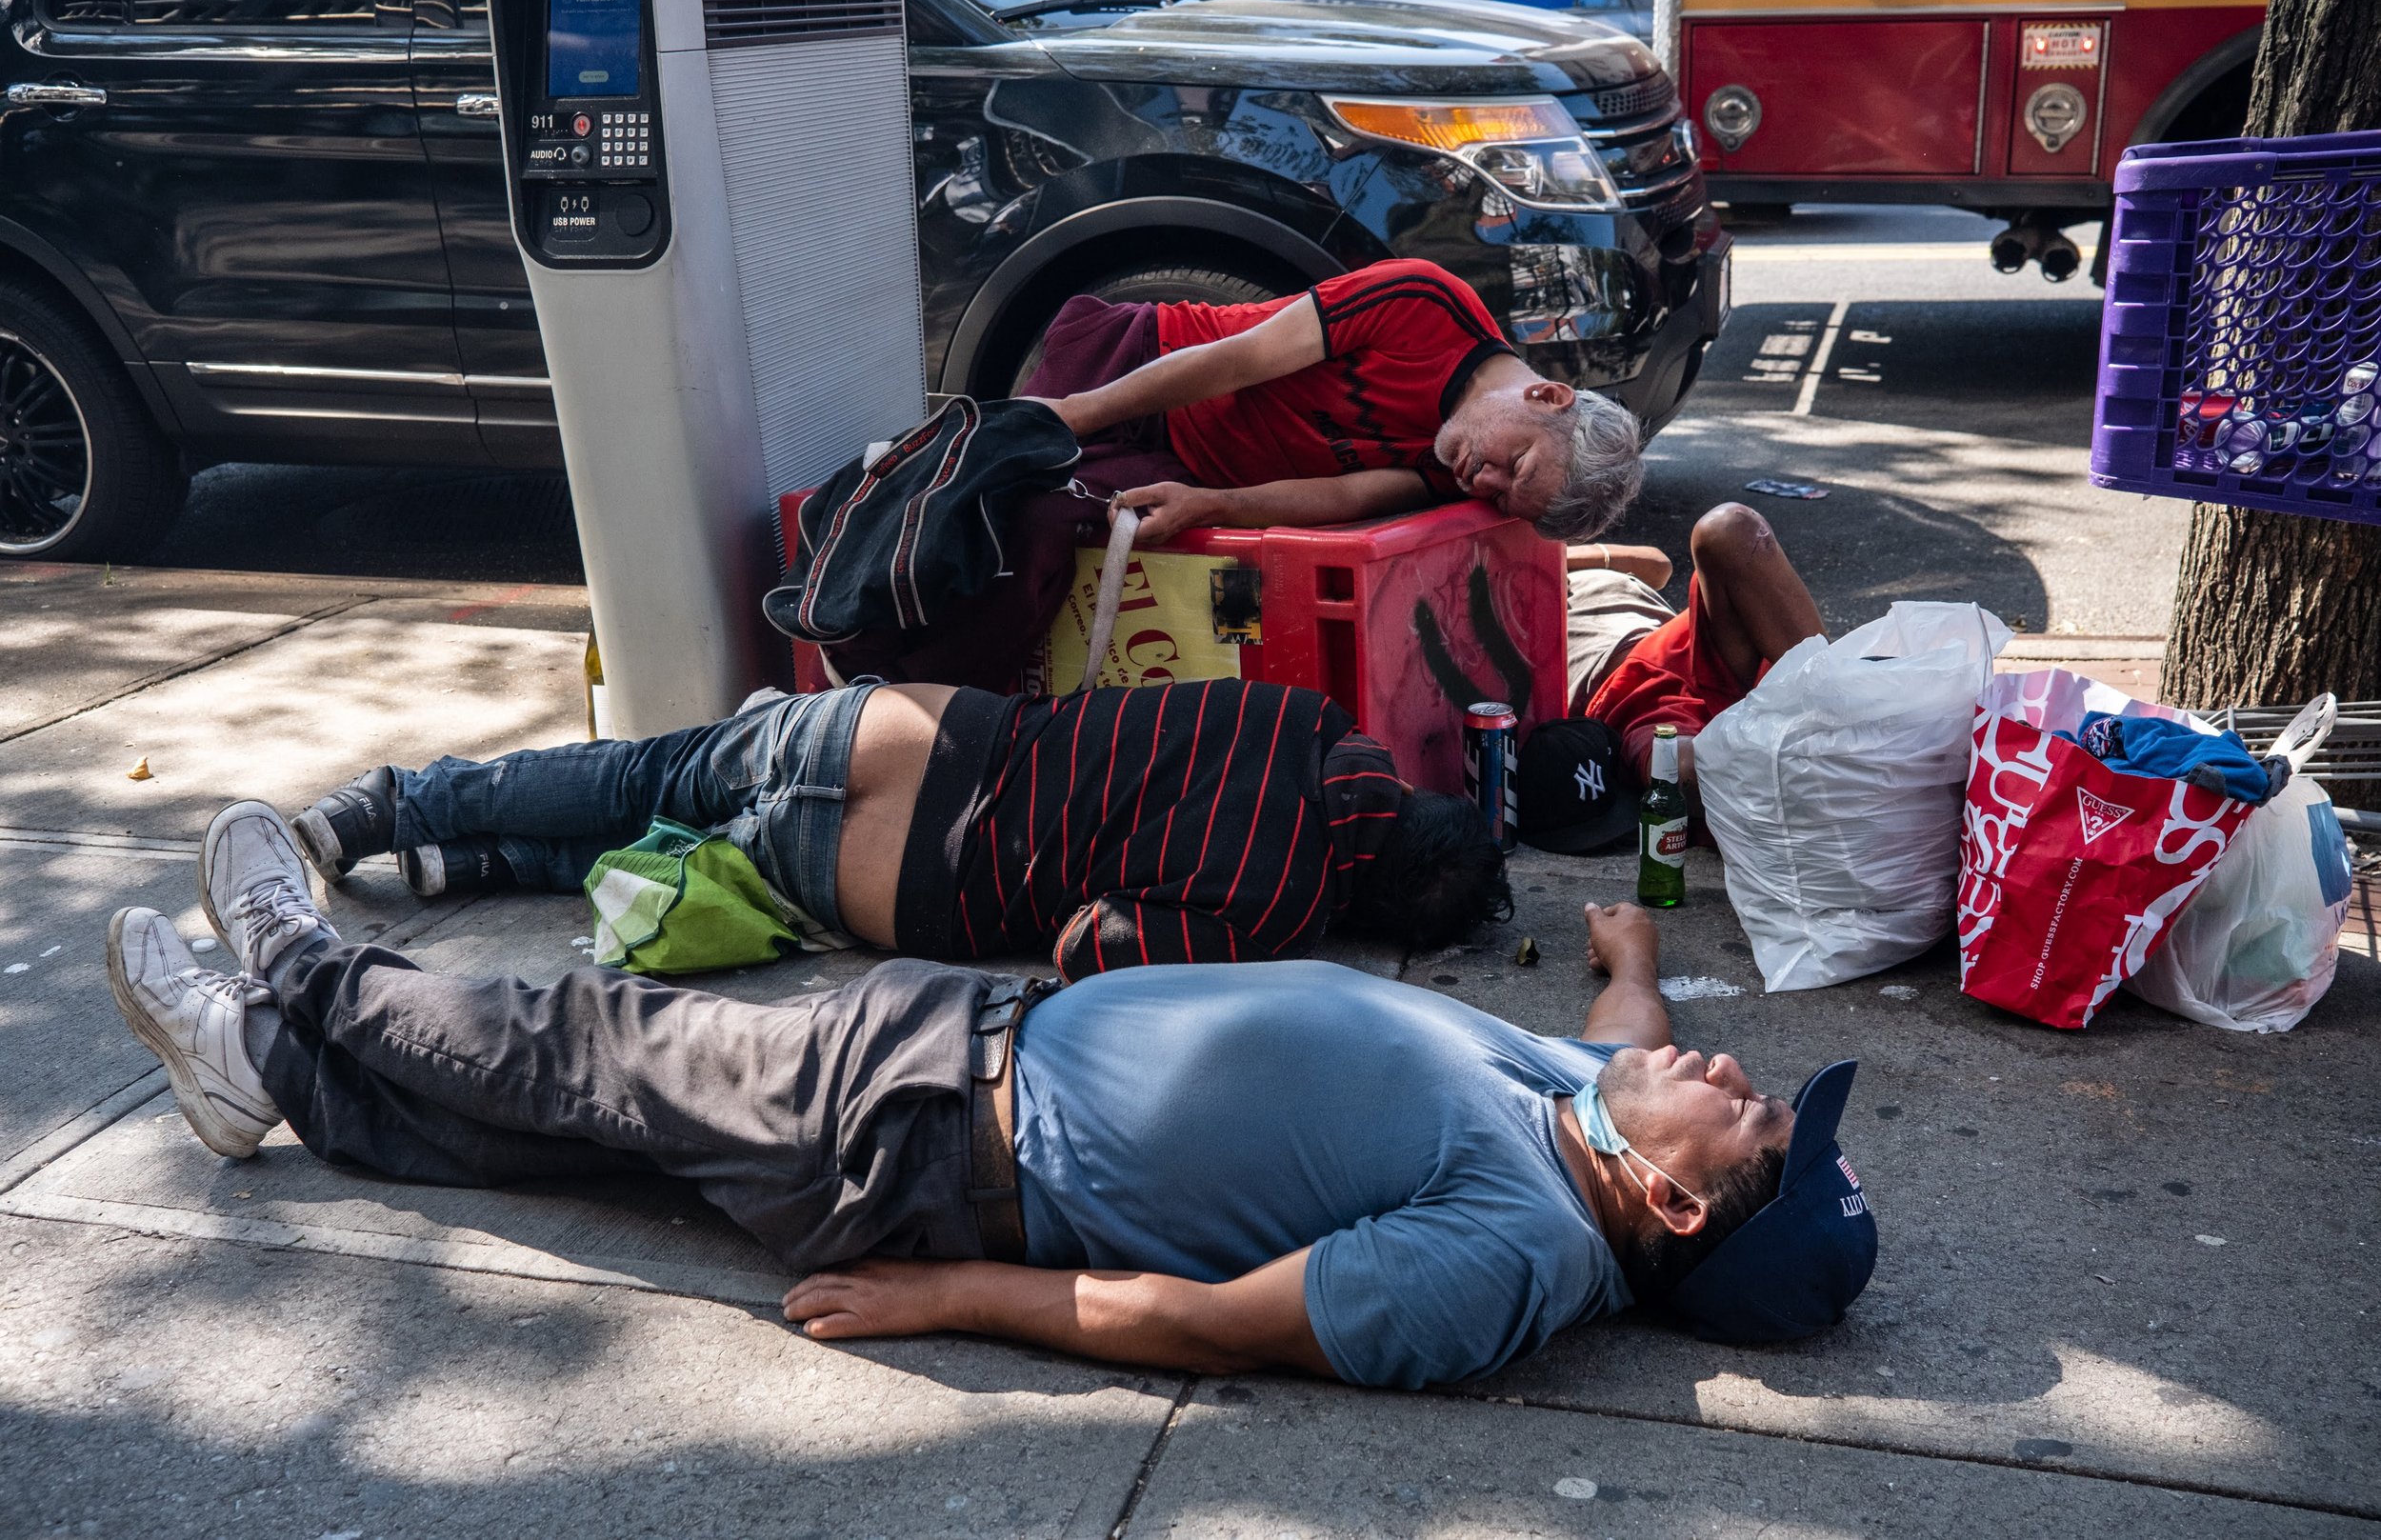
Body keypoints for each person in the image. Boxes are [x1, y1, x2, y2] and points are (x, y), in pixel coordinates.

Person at [106, 807, 1876, 1388]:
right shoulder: (1585, 1111)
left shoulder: (1507, 1258)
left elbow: (1199, 1320)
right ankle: (261, 1074)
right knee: (602, 1122)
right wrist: (1630, 949)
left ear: (1681, 1205)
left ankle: (297, 966)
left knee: (592, 1051)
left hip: (936, 1143)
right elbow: (1641, 1021)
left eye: (1757, 1117)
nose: (1734, 1069)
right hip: (977, 1036)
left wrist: (949, 1297)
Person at [290, 678, 1510, 982]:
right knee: (707, 859)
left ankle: (397, 810)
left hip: (917, 733)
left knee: (646, 772)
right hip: (915, 884)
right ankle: (476, 857)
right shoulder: (1286, 908)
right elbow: (1092, 941)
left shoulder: (1301, 714)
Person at [825, 257, 1649, 690]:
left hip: (1177, 463)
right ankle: (866, 661)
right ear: (1547, 394)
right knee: (992, 507)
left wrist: (1212, 502)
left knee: (1047, 533)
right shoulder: (1423, 304)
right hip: (1145, 364)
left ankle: (920, 698)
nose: (1487, 486)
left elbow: (1349, 496)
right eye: (1517, 466)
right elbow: (1238, 361)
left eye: (1506, 498)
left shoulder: (1454, 467)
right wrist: (1071, 416)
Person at [1567, 502, 1827, 796]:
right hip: (1623, 688)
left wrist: (1553, 557)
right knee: (1679, 767)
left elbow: (1657, 564)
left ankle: (1840, 705)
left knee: (1728, 527)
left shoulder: (1564, 561)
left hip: (1682, 648)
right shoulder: (1511, 595)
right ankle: (1811, 784)